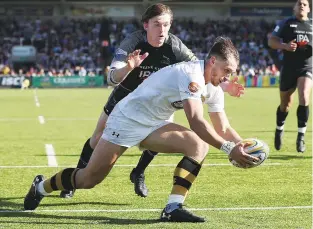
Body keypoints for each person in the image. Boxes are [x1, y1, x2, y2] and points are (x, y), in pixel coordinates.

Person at [24, 37, 258, 223]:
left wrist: (241, 146)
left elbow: (223, 126)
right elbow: (196, 120)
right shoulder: (192, 75)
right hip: (127, 119)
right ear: (212, 62)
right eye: (227, 70)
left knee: (197, 145)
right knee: (88, 179)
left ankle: (173, 207)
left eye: (232, 72)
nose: (229, 77)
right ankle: (41, 187)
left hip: (155, 124)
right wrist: (229, 149)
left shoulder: (215, 87)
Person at [60, 3, 245, 198]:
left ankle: (138, 172)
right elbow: (112, 78)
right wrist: (128, 68)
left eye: (167, 25)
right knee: (97, 138)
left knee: (163, 132)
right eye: (157, 24)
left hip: (159, 99)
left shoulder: (175, 46)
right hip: (126, 95)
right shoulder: (132, 42)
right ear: (146, 25)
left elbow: (201, 71)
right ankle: (73, 180)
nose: (162, 30)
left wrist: (224, 85)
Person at [268, 0, 312, 153]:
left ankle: (301, 137)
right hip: (289, 68)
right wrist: (285, 46)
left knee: (304, 96)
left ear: (309, 8)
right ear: (294, 8)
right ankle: (279, 129)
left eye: (305, 4)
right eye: (299, 3)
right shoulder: (285, 23)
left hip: (307, 67)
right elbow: (272, 41)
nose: (301, 5)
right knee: (285, 105)